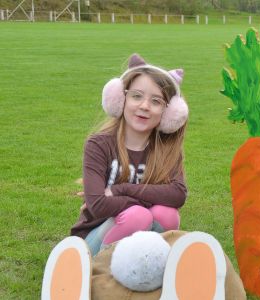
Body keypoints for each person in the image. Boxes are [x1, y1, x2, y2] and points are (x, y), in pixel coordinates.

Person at [70, 53, 189, 256]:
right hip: (90, 243)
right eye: (136, 96)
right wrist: (153, 197)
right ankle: (100, 273)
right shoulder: (99, 144)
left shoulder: (166, 150)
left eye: (156, 101)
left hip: (137, 244)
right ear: (120, 98)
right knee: (138, 216)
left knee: (166, 214)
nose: (144, 106)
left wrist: (120, 190)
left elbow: (178, 195)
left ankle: (148, 271)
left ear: (168, 113)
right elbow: (98, 206)